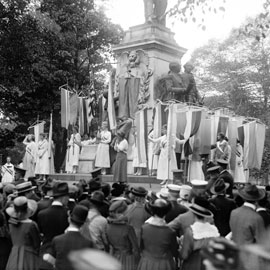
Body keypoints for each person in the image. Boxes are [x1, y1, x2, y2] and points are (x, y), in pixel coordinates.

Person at [43, 205, 93, 270]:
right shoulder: (88, 243)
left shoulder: (57, 240)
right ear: (83, 224)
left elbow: (50, 259)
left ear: (69, 219)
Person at [138, 198, 178, 270]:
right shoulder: (170, 232)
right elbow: (174, 251)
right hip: (165, 264)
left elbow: (141, 247)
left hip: (147, 263)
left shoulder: (144, 228)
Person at [180, 197, 220, 270]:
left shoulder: (191, 231)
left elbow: (184, 255)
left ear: (193, 213)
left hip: (193, 264)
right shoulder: (214, 231)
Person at [38, 182, 69, 270]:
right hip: (63, 252)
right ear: (64, 198)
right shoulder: (67, 214)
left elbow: (40, 233)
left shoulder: (42, 214)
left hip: (46, 252)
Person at [5, 196, 40, 270]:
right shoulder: (31, 225)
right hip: (29, 256)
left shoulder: (11, 223)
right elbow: (36, 244)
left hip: (14, 255)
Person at [106, 200, 140, 270]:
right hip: (128, 259)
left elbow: (107, 244)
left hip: (114, 257)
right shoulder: (128, 228)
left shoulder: (107, 226)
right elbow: (135, 248)